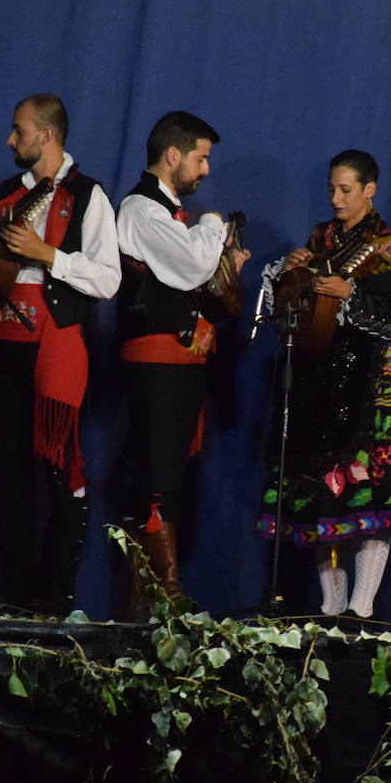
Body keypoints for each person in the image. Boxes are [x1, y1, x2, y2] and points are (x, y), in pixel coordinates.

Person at [0, 93, 120, 615]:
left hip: (56, 344)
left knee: (59, 470)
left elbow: (108, 278)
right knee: (8, 469)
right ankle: (14, 589)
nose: (9, 139)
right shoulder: (2, 196)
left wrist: (48, 257)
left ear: (46, 135)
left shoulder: (88, 195)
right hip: (0, 344)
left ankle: (56, 592)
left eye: (18, 130)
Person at [255, 150, 391, 619]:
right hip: (322, 376)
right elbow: (302, 306)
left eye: (346, 190)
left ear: (369, 190)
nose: (336, 198)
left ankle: (362, 606)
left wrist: (352, 293)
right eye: (332, 189)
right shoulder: (322, 237)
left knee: (371, 489)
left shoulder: (388, 244)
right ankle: (330, 604)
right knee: (325, 489)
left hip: (374, 379)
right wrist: (299, 270)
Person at [114, 111, 249, 609]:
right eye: (201, 157)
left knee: (169, 472)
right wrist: (214, 225)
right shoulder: (139, 209)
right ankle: (163, 589)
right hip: (154, 360)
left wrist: (226, 270)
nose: (206, 170)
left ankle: (147, 594)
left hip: (183, 361)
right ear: (173, 155)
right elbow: (191, 264)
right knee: (157, 471)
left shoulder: (170, 216)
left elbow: (195, 278)